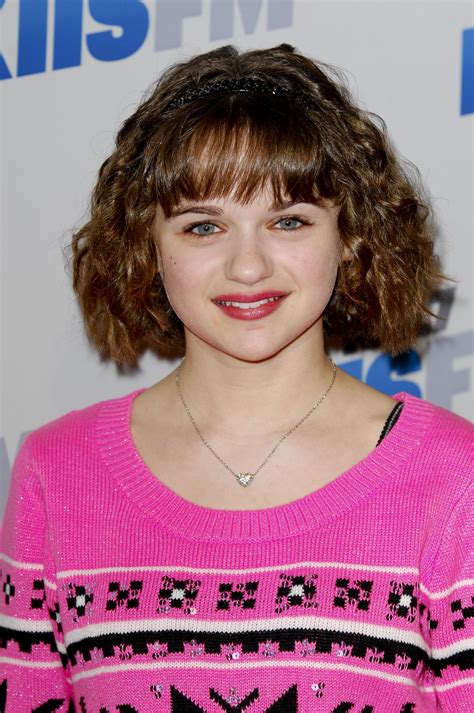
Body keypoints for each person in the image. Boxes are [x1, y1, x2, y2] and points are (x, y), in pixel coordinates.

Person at [0, 44, 472, 712]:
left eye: (288, 221)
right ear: (146, 244)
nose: (248, 267)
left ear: (349, 235)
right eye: (203, 226)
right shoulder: (55, 472)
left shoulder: (454, 480)